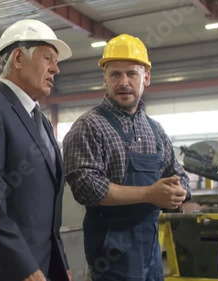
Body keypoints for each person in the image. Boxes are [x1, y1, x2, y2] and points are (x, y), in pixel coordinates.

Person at [63, 34, 191, 281]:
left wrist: (179, 192)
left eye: (132, 73)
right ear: (105, 79)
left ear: (146, 78)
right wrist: (149, 194)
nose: (124, 82)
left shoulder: (155, 130)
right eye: (115, 74)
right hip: (110, 255)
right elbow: (87, 188)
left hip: (152, 253)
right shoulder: (89, 126)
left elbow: (178, 174)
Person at [0, 19, 73, 281]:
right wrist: (24, 267)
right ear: (19, 58)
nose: (55, 69)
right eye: (48, 58)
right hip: (4, 270)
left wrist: (59, 262)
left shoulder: (41, 120)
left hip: (41, 266)